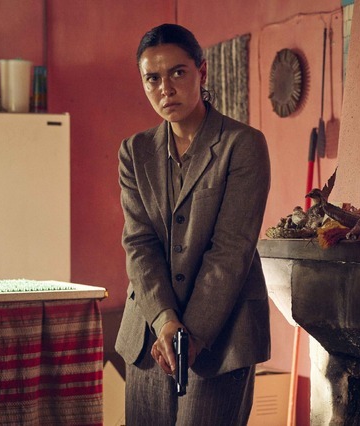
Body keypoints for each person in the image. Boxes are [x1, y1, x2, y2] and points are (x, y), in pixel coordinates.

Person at [114, 23, 272, 426]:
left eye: (177, 72)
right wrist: (165, 321)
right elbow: (139, 244)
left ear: (202, 71)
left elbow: (231, 249)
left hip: (222, 337)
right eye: (152, 78)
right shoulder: (134, 152)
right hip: (150, 334)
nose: (165, 88)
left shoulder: (243, 145)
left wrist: (192, 335)